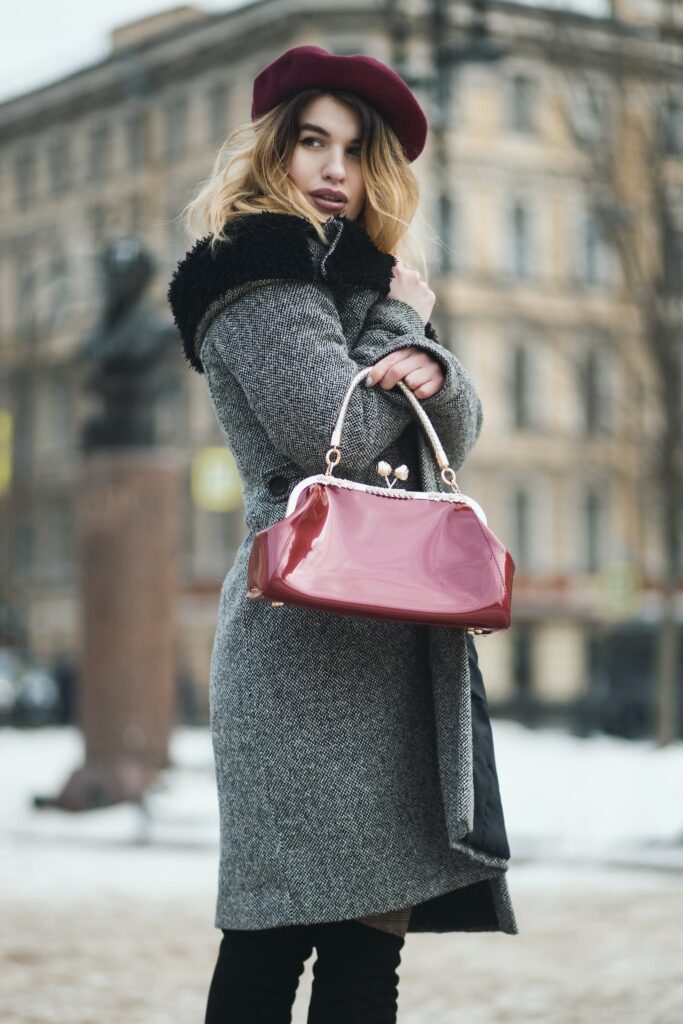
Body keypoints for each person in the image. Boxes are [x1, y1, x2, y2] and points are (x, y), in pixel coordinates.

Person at [168, 44, 518, 1024]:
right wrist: (401, 325)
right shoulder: (255, 276)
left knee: (368, 960)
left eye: (355, 150)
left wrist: (437, 373)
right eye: (312, 142)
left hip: (391, 646)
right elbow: (350, 433)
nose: (334, 169)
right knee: (269, 946)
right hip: (298, 650)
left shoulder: (352, 279)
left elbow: (452, 430)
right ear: (270, 152)